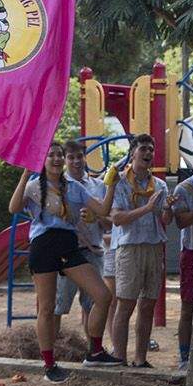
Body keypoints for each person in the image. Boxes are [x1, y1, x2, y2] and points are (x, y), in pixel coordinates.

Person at [8, 143, 116, 382]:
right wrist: (26, 172)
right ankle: (49, 365)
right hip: (44, 246)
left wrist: (111, 184)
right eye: (51, 154)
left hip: (68, 245)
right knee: (46, 308)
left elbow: (103, 209)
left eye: (59, 155)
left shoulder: (75, 188)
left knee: (103, 295)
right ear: (43, 159)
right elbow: (14, 208)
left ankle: (95, 350)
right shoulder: (35, 187)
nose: (56, 158)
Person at [107, 133, 170, 369]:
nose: (148, 153)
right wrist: (147, 208)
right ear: (132, 152)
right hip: (129, 249)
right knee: (126, 304)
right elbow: (117, 218)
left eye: (151, 149)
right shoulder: (120, 182)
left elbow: (165, 220)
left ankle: (141, 359)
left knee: (147, 305)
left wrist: (168, 210)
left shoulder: (160, 185)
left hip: (154, 248)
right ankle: (119, 358)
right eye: (143, 148)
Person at [53, 142, 110, 344]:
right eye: (71, 157)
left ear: (85, 158)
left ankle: (93, 349)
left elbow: (110, 223)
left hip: (93, 252)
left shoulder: (99, 186)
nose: (76, 161)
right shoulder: (57, 186)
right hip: (67, 253)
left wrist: (96, 218)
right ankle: (51, 353)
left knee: (93, 302)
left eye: (79, 156)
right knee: (58, 304)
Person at [166, 170, 193, 373]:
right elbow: (180, 222)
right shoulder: (184, 188)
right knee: (187, 305)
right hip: (191, 250)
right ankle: (184, 356)